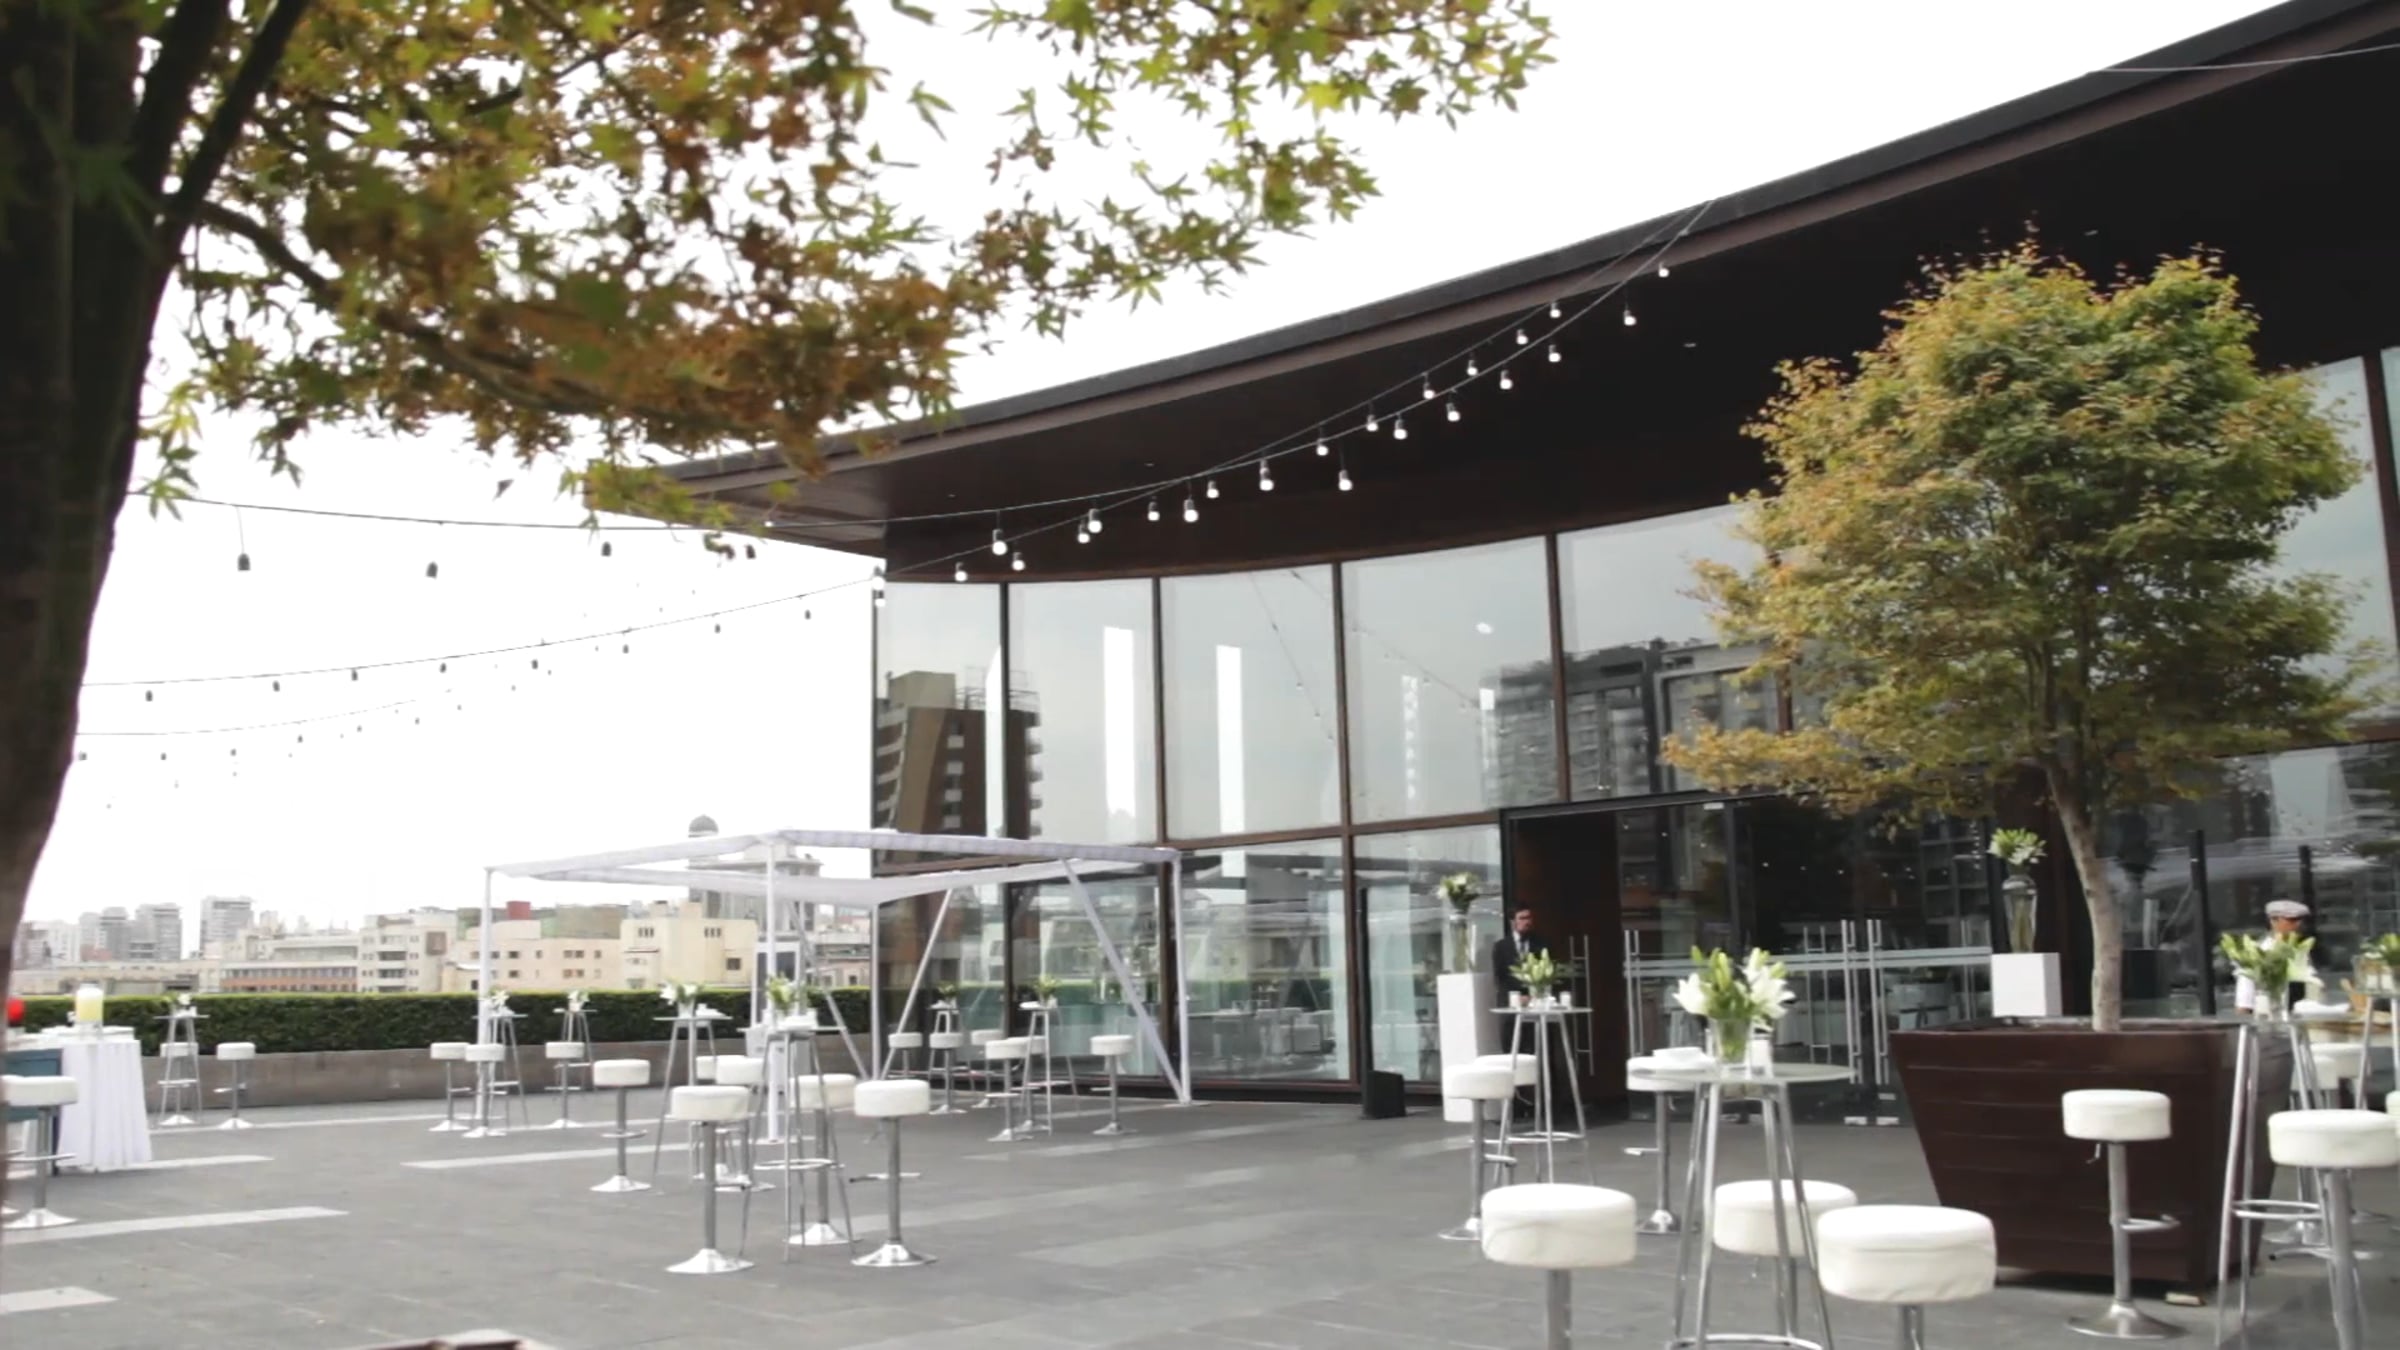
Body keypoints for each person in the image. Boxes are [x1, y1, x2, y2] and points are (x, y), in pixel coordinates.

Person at [1490, 906, 1549, 1049]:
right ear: (1513, 922)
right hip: (1511, 1006)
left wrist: (1533, 995)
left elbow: (1546, 973)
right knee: (1512, 1046)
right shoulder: (1501, 947)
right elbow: (1500, 977)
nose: (1527, 922)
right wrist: (1516, 997)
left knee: (1536, 1046)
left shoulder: (1541, 944)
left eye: (1529, 918)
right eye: (1522, 918)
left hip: (1535, 1003)